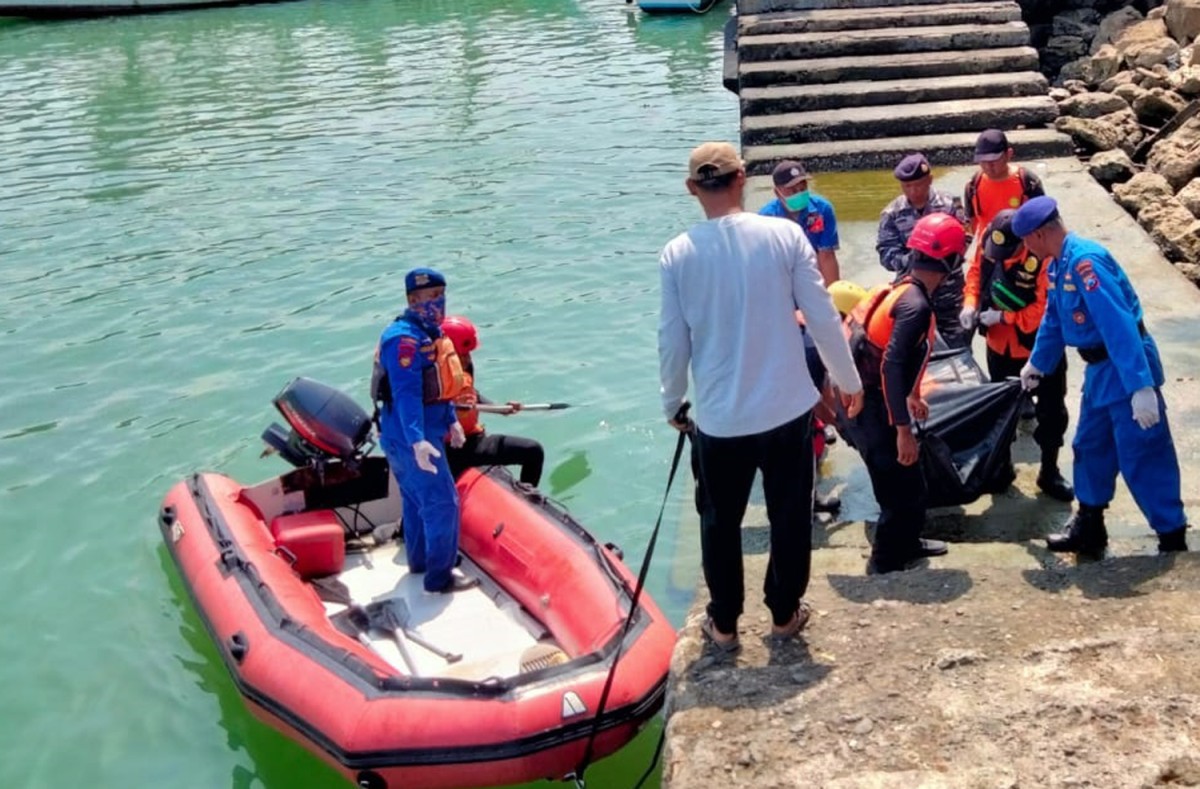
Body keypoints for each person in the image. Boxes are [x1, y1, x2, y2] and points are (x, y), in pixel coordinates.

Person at [659, 142, 863, 651]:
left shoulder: (677, 252)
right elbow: (820, 315)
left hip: (720, 417)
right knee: (790, 515)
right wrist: (847, 379)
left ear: (692, 189)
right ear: (743, 178)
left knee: (719, 521)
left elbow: (672, 338)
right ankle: (784, 614)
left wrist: (672, 402)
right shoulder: (785, 234)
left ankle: (724, 624)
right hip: (787, 408)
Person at [1013, 196, 1189, 556]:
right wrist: (1038, 364)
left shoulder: (1086, 264)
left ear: (1041, 234)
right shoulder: (1057, 266)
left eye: (1027, 239)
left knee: (1144, 454)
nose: (1025, 248)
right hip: (1099, 372)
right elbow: (1053, 320)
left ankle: (1171, 536)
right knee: (1090, 446)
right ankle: (1090, 526)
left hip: (1125, 366)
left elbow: (1119, 326)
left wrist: (1141, 387)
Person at [844, 213, 964, 574]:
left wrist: (912, 395)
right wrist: (902, 430)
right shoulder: (916, 306)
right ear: (951, 262)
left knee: (906, 483)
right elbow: (891, 365)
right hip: (876, 411)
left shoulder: (899, 290)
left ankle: (908, 542)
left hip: (871, 403)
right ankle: (886, 560)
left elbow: (882, 353)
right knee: (900, 488)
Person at [374, 268, 479, 593]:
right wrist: (417, 440)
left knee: (416, 500)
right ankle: (439, 578)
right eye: (429, 297)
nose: (437, 303)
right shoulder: (404, 339)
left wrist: (451, 421)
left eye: (440, 296)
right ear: (412, 300)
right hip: (410, 437)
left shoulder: (429, 333)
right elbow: (407, 395)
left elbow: (439, 386)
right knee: (443, 503)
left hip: (420, 432)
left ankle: (420, 561)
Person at [975, 209, 1074, 502]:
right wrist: (970, 306)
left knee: (1052, 412)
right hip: (998, 349)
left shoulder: (1045, 261)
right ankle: (1001, 467)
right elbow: (974, 275)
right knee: (1000, 412)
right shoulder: (991, 245)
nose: (1001, 257)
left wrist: (1004, 317)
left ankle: (1049, 470)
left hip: (1040, 351)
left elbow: (1045, 312)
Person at [876, 152, 970, 347]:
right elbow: (886, 255)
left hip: (950, 294)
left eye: (918, 184)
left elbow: (965, 239)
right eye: (907, 186)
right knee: (912, 350)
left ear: (930, 180)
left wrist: (940, 258)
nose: (913, 191)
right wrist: (917, 259)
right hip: (912, 293)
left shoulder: (950, 205)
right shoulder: (891, 214)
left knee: (958, 349)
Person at [441, 314, 546, 487]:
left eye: (468, 354)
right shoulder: (433, 380)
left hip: (474, 439)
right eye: (461, 355)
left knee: (533, 451)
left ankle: (526, 498)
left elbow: (473, 395)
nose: (467, 359)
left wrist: (500, 408)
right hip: (455, 450)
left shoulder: (464, 370)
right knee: (533, 451)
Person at [960, 129, 1045, 337]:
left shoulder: (1027, 183)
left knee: (1031, 311)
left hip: (1024, 259)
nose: (989, 166)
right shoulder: (974, 185)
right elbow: (971, 228)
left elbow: (1043, 223)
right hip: (989, 255)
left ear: (1008, 154)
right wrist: (970, 302)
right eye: (983, 161)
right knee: (990, 319)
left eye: (994, 160)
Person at [759, 159, 841, 284]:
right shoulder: (767, 219)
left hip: (814, 274)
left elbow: (827, 256)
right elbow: (768, 265)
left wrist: (833, 293)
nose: (799, 193)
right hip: (783, 277)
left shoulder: (822, 210)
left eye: (803, 188)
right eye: (793, 190)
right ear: (777, 192)